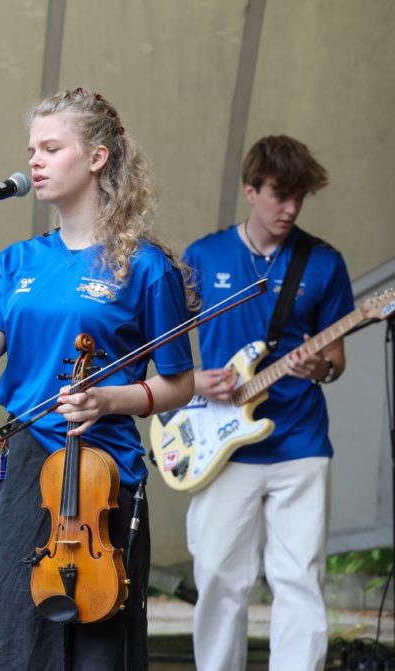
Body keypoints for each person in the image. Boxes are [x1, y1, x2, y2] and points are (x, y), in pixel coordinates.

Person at [0, 87, 196, 669]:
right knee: (20, 636)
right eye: (33, 149)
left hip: (104, 471)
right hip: (29, 464)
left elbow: (179, 384)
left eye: (52, 149)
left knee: (100, 643)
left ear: (97, 157)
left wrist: (108, 399)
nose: (35, 161)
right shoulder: (20, 260)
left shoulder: (146, 266)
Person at [184, 135, 353, 671]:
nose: (292, 208)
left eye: (300, 197)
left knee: (300, 579)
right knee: (218, 579)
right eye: (281, 194)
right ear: (250, 190)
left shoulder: (324, 263)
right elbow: (164, 345)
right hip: (219, 445)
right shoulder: (203, 257)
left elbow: (336, 359)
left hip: (300, 442)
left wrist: (318, 366)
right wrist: (194, 381)